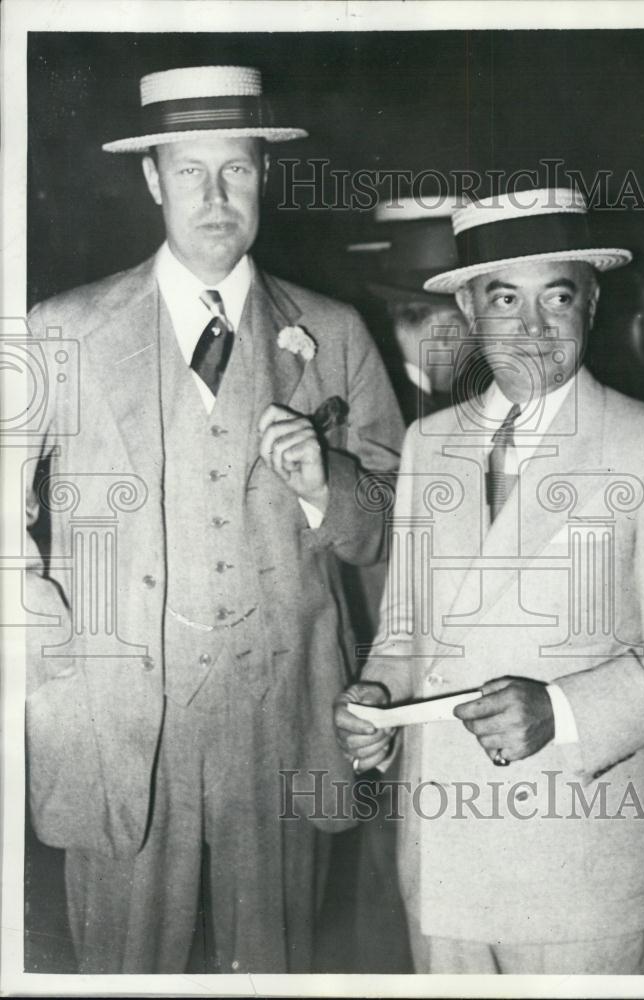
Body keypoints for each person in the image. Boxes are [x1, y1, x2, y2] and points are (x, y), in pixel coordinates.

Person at [24, 64, 404, 974]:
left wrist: (328, 483)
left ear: (264, 177)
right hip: (116, 724)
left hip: (284, 718)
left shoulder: (335, 330)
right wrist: (42, 646)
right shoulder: (60, 331)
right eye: (189, 172)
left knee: (274, 968)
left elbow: (397, 526)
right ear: (152, 179)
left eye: (235, 170)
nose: (215, 196)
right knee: (120, 971)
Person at [334, 185, 644, 974]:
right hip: (444, 860)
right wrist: (376, 699)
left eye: (558, 297)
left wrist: (561, 709)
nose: (534, 328)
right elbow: (407, 629)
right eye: (505, 299)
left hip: (586, 869)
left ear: (590, 304)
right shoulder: (429, 444)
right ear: (472, 313)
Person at [348, 198, 470, 425]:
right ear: (447, 333)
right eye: (473, 336)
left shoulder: (364, 392)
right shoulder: (425, 420)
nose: (472, 354)